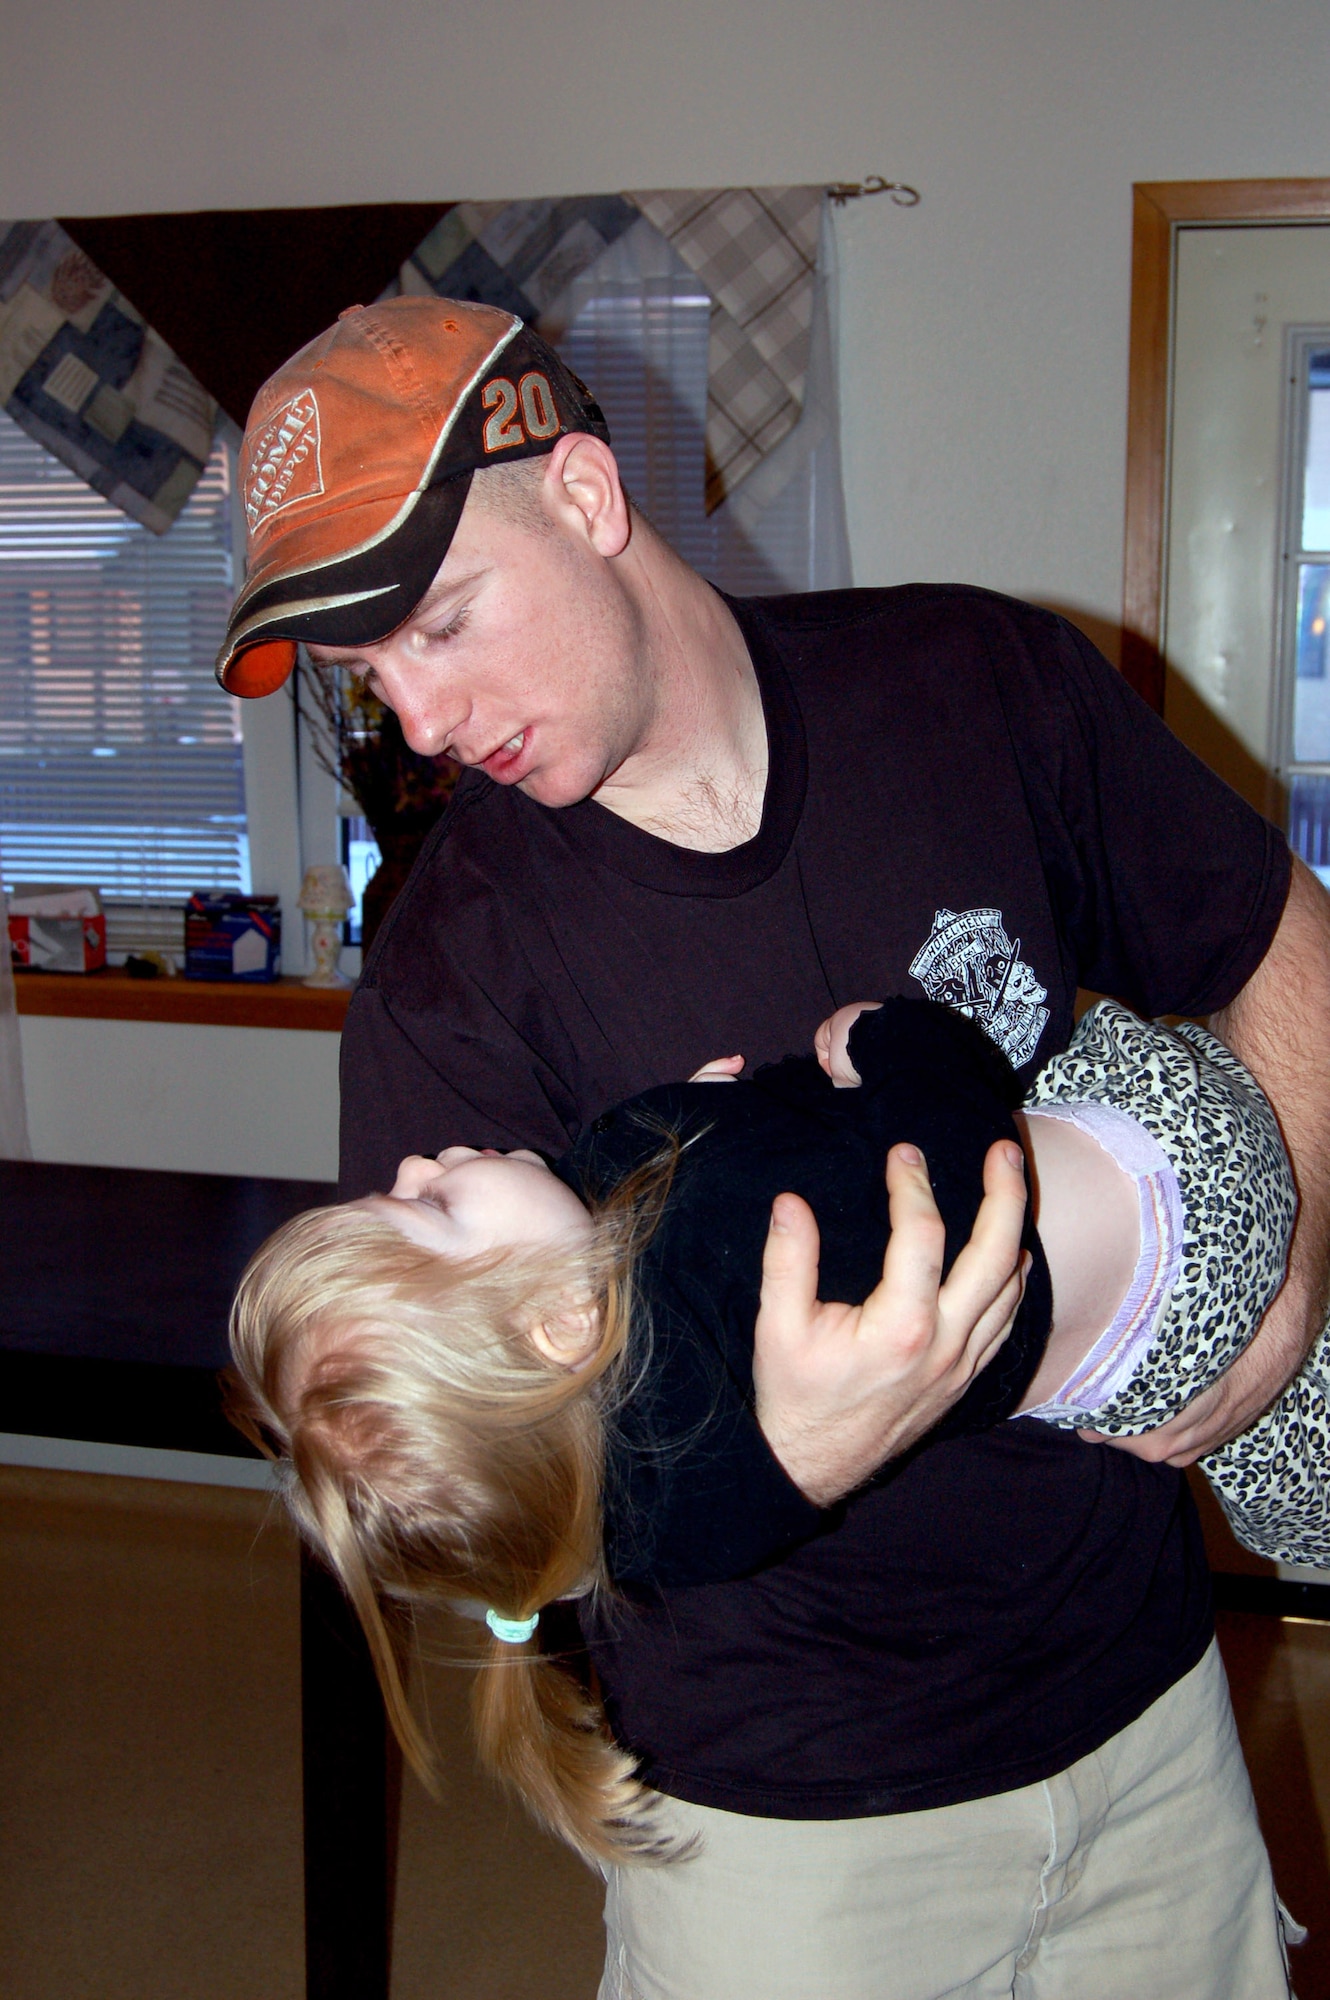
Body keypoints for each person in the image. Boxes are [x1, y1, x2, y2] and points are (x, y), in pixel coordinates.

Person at [216, 295, 1330, 1996]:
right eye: (372, 677)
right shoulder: (450, 974)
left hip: (1151, 1711)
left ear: (587, 497)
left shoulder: (979, 680)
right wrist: (785, 1463)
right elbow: (479, 1506)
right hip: (788, 1838)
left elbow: (1277, 936)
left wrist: (1294, 1275)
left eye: (440, 624)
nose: (420, 726)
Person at [227, 991, 1326, 1883]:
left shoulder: (635, 1485)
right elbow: (955, 1168)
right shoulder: (738, 1247)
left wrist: (690, 1120)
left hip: (1131, 1364)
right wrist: (901, 1040)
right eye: (430, 1209)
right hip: (1193, 1182)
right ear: (557, 1324)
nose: (419, 1164)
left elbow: (611, 1192)